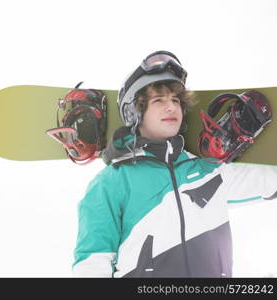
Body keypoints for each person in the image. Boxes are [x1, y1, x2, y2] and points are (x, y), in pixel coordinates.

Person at [72, 50, 277, 277]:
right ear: (134, 112)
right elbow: (91, 264)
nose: (171, 107)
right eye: (159, 100)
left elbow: (268, 181)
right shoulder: (111, 182)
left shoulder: (206, 171)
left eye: (176, 100)